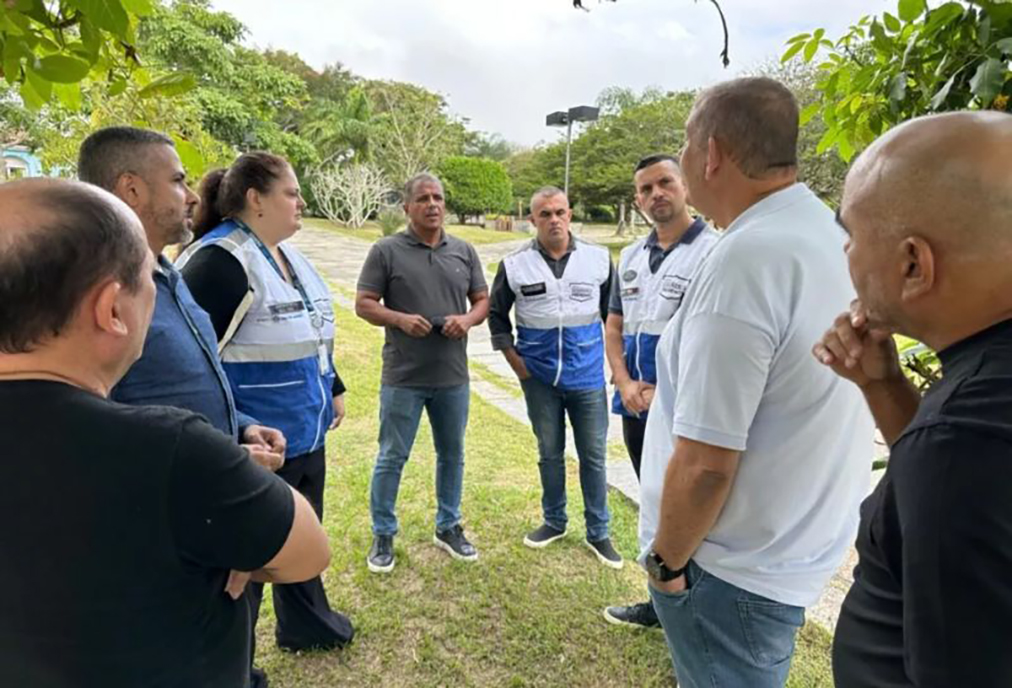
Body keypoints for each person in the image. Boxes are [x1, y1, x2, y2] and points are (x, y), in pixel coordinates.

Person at [0, 178, 331, 688]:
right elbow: (308, 551)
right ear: (112, 309)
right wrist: (228, 498)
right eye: (147, 286)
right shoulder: (169, 451)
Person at [637, 77, 875, 688]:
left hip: (730, 572)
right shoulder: (826, 233)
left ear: (711, 154)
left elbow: (707, 462)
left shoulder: (746, 259)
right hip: (789, 548)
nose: (685, 162)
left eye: (686, 147)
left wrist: (665, 562)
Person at [78, 126, 288, 687]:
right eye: (176, 180)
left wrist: (241, 428)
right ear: (130, 190)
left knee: (230, 642)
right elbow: (94, 423)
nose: (193, 195)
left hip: (213, 503)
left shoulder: (167, 274)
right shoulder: (95, 296)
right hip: (169, 531)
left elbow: (191, 378)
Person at [813, 111, 1012, 687]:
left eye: (850, 235)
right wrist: (884, 386)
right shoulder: (977, 409)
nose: (845, 254)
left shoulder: (961, 440)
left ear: (912, 264)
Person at [177, 151, 354, 656]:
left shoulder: (286, 254)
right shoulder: (222, 262)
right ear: (256, 199)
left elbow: (309, 330)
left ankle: (307, 624)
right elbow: (193, 360)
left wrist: (334, 385)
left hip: (304, 433)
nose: (301, 202)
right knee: (247, 561)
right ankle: (236, 661)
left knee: (301, 536)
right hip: (257, 445)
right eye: (291, 193)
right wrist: (236, 433)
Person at [602, 155, 719, 627]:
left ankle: (701, 611)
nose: (656, 195)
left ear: (685, 185)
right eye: (646, 189)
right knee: (654, 501)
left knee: (695, 510)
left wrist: (665, 395)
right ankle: (661, 605)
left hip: (689, 410)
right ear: (638, 200)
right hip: (634, 406)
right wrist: (625, 383)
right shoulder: (629, 257)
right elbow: (613, 328)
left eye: (665, 183)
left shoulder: (715, 252)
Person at [355, 172, 489, 573]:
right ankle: (383, 532)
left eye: (439, 198)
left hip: (452, 376)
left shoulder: (463, 251)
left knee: (453, 455)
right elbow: (363, 303)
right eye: (424, 198)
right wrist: (398, 319)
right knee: (392, 456)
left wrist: (466, 321)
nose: (433, 205)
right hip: (404, 377)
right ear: (407, 207)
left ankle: (448, 526)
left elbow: (482, 300)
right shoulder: (386, 250)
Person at [487, 186, 622, 568]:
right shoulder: (514, 265)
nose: (554, 220)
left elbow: (614, 318)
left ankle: (599, 532)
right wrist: (517, 364)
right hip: (540, 379)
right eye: (544, 214)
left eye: (560, 212)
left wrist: (617, 366)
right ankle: (554, 521)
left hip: (587, 380)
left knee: (593, 457)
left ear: (570, 213)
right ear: (532, 220)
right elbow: (497, 317)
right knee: (549, 453)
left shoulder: (597, 260)